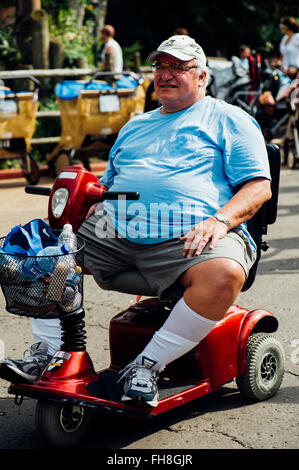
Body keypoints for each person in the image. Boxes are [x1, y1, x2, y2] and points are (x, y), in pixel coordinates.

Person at [0, 35, 272, 408]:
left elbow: (259, 187)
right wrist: (89, 201)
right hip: (115, 230)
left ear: (203, 76)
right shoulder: (134, 126)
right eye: (160, 66)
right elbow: (106, 184)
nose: (166, 74)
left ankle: (146, 365)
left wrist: (220, 222)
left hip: (192, 234)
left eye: (178, 66)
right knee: (35, 250)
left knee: (224, 273)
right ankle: (48, 352)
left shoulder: (230, 118)